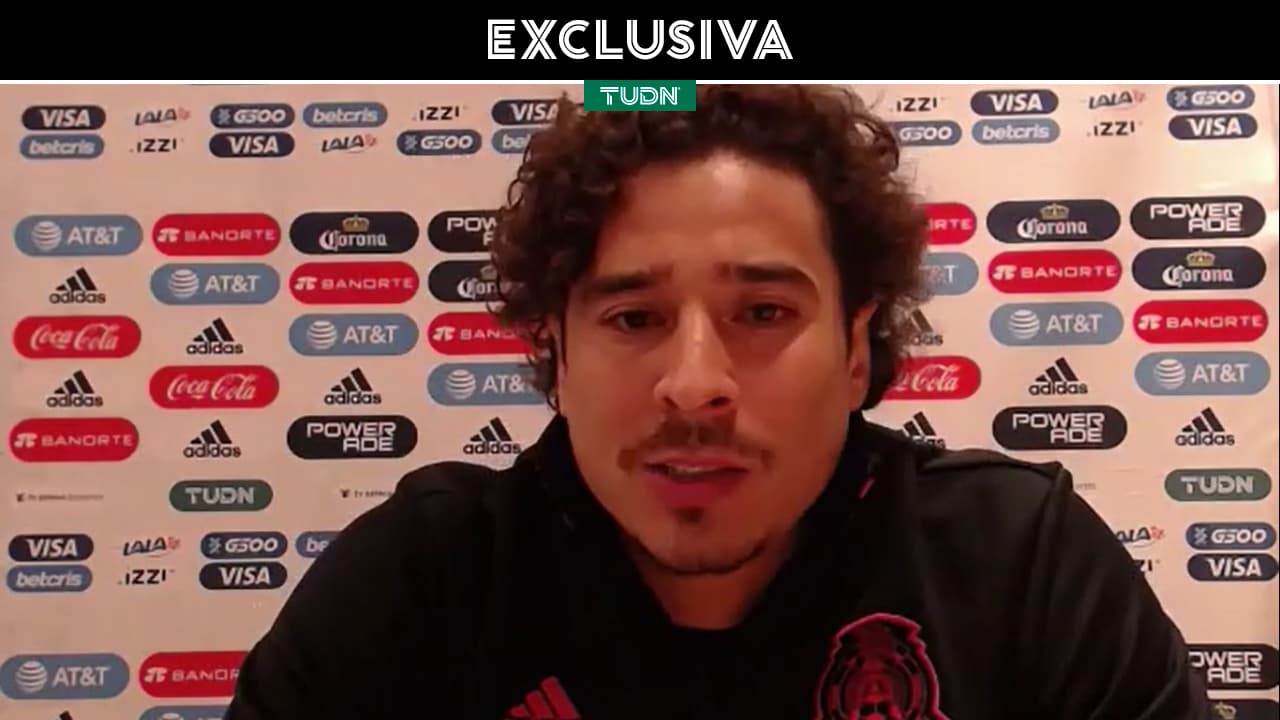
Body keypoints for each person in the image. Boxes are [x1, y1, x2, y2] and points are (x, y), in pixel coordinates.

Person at [225, 85, 1212, 719]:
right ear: (554, 353)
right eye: (633, 317)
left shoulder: (1022, 565)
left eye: (763, 311)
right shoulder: (422, 583)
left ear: (856, 351)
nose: (694, 380)